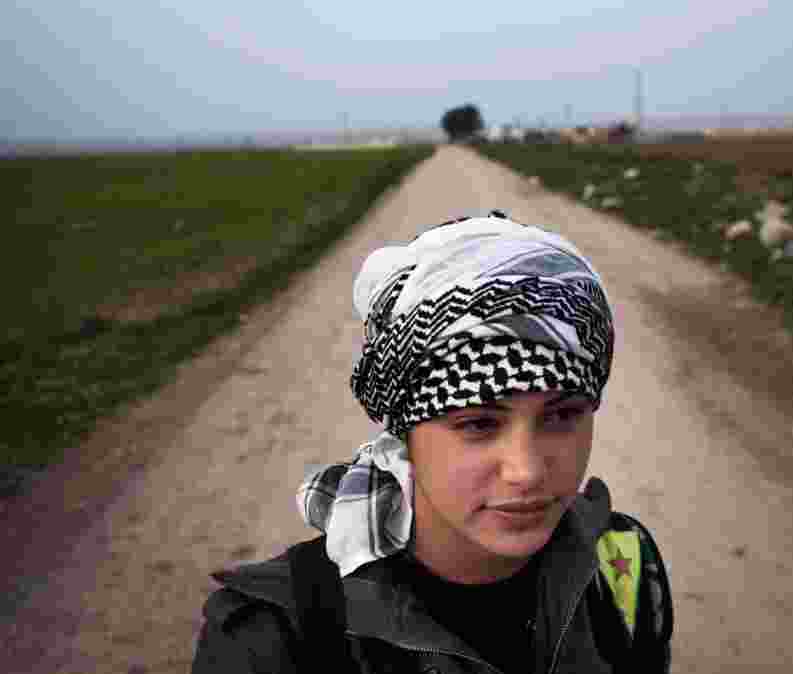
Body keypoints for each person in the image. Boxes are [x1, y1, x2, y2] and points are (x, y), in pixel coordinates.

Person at [192, 211, 673, 673]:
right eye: (479, 424)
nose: (526, 471)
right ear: (404, 437)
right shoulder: (277, 634)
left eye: (563, 415)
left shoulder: (621, 567)